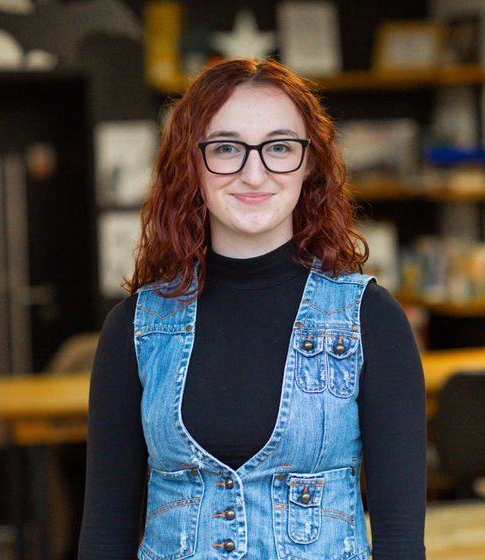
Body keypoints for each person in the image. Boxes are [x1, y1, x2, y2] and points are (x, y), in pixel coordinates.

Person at [77, 58, 426, 560]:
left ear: (309, 164)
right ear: (190, 163)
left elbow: (399, 539)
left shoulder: (370, 319)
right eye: (226, 148)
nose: (254, 172)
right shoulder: (135, 328)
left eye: (280, 147)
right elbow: (105, 533)